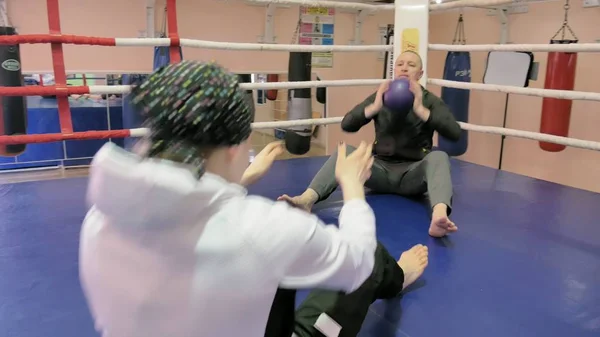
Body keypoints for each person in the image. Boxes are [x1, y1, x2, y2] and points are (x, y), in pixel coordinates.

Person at [79, 61, 429, 337]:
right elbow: (356, 261)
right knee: (369, 259)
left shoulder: (99, 219)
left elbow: (185, 211)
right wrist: (352, 188)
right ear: (234, 148)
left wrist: (241, 180)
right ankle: (398, 275)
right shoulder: (260, 229)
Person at [279, 51, 462, 238]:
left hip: (413, 175)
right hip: (379, 172)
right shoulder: (381, 96)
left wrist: (422, 111)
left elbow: (454, 133)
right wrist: (374, 107)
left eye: (411, 65)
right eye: (400, 64)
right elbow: (347, 124)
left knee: (439, 156)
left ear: (420, 73)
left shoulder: (430, 100)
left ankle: (439, 216)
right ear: (394, 69)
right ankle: (306, 200)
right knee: (346, 151)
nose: (404, 68)